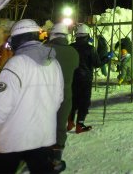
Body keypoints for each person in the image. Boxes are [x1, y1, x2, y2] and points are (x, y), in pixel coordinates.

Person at [0, 19, 64, 174]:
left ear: (18, 39)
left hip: (14, 140)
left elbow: (0, 109)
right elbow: (58, 99)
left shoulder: (15, 64)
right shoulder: (54, 64)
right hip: (43, 137)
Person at [46, 23, 79, 171]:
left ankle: (41, 156)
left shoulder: (46, 50)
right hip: (65, 96)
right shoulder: (73, 52)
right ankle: (56, 161)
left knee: (44, 125)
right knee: (60, 126)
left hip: (46, 95)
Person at [68, 23, 113, 134]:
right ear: (87, 35)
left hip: (72, 78)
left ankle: (70, 122)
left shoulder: (71, 47)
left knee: (72, 101)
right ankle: (80, 125)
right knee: (84, 102)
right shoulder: (90, 48)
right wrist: (107, 57)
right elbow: (97, 64)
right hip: (85, 79)